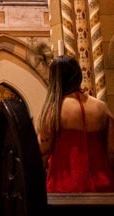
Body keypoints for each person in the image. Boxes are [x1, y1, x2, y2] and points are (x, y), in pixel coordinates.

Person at [39, 55, 114, 192]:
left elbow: (43, 152)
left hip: (63, 189)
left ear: (55, 79)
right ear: (78, 75)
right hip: (102, 187)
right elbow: (112, 152)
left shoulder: (55, 110)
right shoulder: (102, 107)